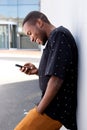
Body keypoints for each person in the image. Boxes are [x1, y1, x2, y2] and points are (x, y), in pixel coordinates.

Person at [14, 11, 78, 130]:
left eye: (30, 33)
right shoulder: (54, 39)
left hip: (53, 110)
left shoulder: (59, 35)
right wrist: (37, 71)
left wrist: (39, 110)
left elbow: (57, 79)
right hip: (49, 108)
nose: (31, 39)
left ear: (39, 23)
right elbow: (58, 70)